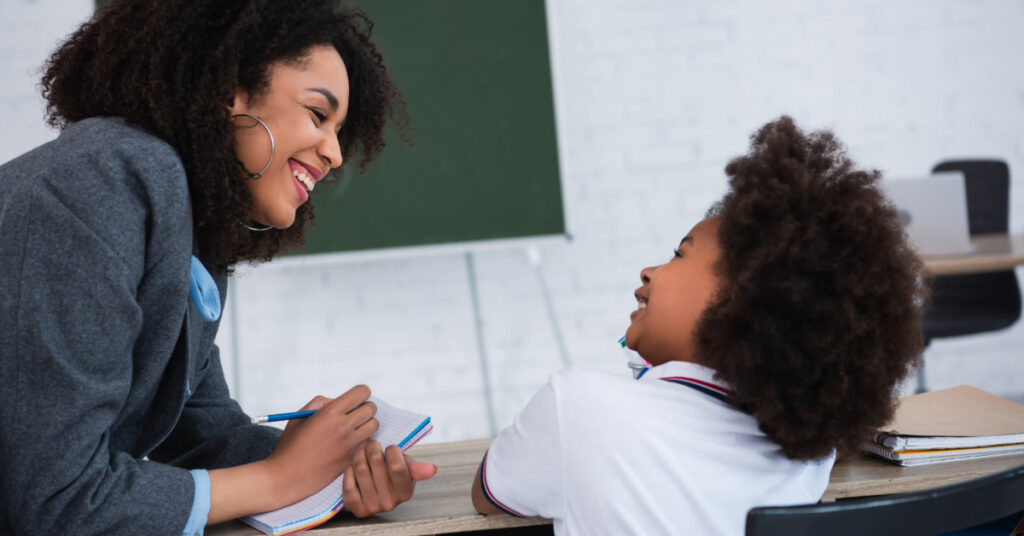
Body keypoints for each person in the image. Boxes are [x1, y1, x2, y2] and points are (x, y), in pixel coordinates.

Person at [0, 1, 436, 535]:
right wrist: (280, 478)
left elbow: (202, 437)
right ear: (229, 86)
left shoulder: (190, 224)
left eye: (340, 132)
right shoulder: (109, 180)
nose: (335, 154)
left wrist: (333, 470)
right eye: (319, 116)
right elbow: (56, 497)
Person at [471, 116, 927, 535]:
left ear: (740, 297)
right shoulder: (811, 454)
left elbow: (489, 494)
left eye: (678, 254)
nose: (649, 272)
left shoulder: (574, 406)